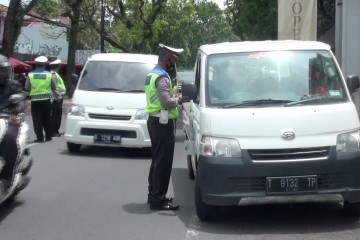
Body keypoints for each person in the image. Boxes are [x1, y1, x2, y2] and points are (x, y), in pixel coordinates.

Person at [145, 44, 183, 211]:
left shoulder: (152, 74)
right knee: (163, 162)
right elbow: (167, 102)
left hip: (154, 121)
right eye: (173, 60)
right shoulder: (162, 77)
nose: (174, 64)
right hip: (162, 122)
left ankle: (153, 194)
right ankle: (158, 199)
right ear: (167, 60)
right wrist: (179, 99)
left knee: (157, 160)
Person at [0, 54, 27, 195]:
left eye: (3, 71)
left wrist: (17, 108)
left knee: (10, 139)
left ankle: (6, 178)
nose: (2, 74)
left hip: (7, 119)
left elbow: (22, 99)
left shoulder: (13, 86)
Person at [25, 56, 56, 142]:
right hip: (46, 100)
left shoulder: (30, 75)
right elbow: (54, 87)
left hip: (35, 101)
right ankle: (48, 136)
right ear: (45, 65)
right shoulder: (49, 75)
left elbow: (27, 88)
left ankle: (40, 137)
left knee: (37, 119)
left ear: (36, 65)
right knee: (47, 118)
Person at [49, 59, 66, 137]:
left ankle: (54, 130)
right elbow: (54, 87)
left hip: (56, 97)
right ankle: (54, 131)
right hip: (56, 98)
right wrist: (58, 97)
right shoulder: (54, 74)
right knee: (56, 115)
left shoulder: (54, 74)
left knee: (56, 115)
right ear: (58, 67)